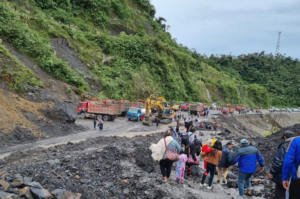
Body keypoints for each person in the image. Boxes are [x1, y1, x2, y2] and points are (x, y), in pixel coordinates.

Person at [269, 131, 295, 199]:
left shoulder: (285, 145)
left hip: (285, 175)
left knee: (280, 193)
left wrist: (272, 172)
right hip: (296, 176)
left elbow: (279, 161)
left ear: (285, 137)